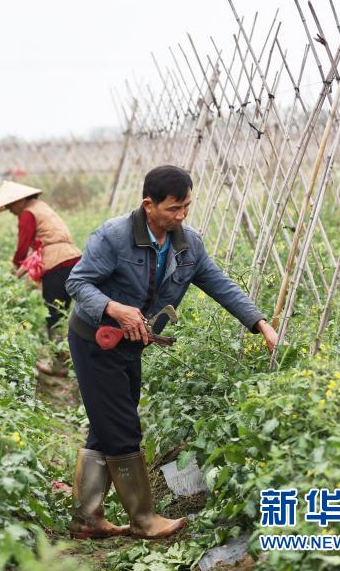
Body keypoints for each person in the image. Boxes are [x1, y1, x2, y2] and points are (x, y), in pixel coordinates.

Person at [64, 165, 279, 540]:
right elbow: (77, 282)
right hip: (96, 340)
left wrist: (260, 323)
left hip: (132, 344)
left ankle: (87, 518)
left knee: (108, 422)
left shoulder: (187, 244)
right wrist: (114, 307)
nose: (181, 215)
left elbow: (218, 283)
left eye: (186, 206)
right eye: (173, 208)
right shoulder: (114, 236)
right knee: (123, 427)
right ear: (149, 205)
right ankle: (143, 519)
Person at [0, 181, 82, 358]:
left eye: (10, 206)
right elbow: (40, 247)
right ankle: (68, 356)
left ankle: (59, 361)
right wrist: (20, 271)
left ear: (19, 200)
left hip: (57, 263)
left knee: (53, 314)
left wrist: (15, 267)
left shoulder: (27, 214)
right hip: (74, 259)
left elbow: (22, 247)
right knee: (64, 311)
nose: (10, 210)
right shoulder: (40, 206)